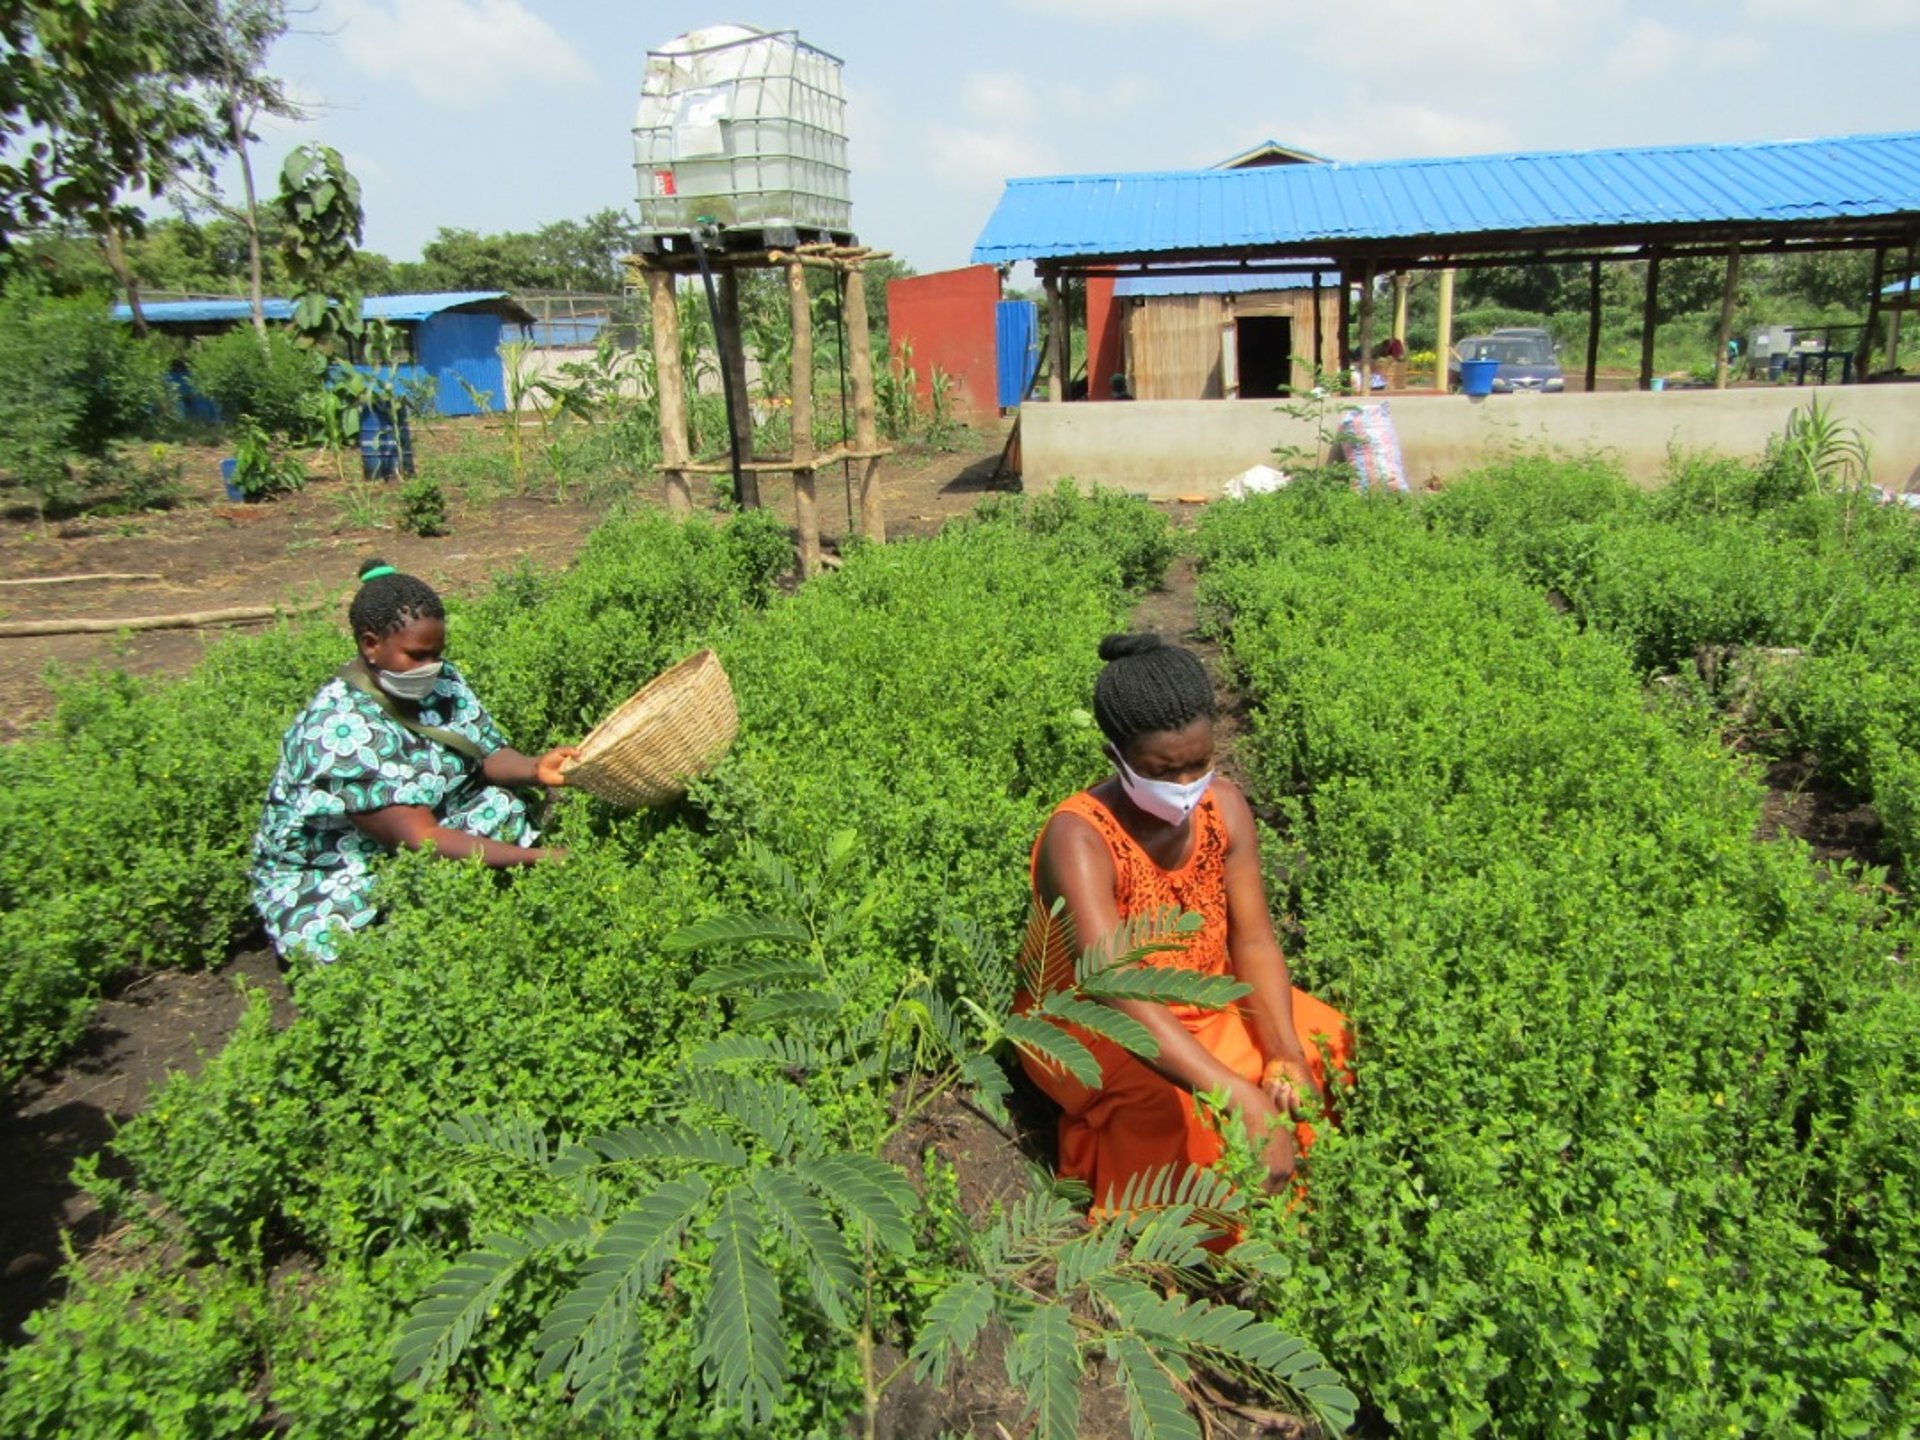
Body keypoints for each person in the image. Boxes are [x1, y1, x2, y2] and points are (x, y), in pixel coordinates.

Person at [1015, 633, 1351, 1210]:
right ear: (1116, 758)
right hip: (1093, 1021)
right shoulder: (1078, 839)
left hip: (1203, 994)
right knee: (1187, 1121)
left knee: (1327, 1043)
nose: (1185, 787)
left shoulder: (1225, 808)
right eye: (1164, 770)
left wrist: (1284, 1052)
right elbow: (1116, 987)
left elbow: (1253, 940)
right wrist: (1237, 1097)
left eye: (1198, 764)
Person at [250, 559, 577, 962]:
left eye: (437, 654)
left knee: (504, 805)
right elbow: (421, 840)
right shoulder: (338, 729)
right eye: (417, 655)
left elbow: (487, 754)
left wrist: (533, 768)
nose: (430, 668)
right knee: (354, 936)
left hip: (428, 823)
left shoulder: (442, 680)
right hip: (339, 867)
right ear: (371, 645)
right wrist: (539, 859)